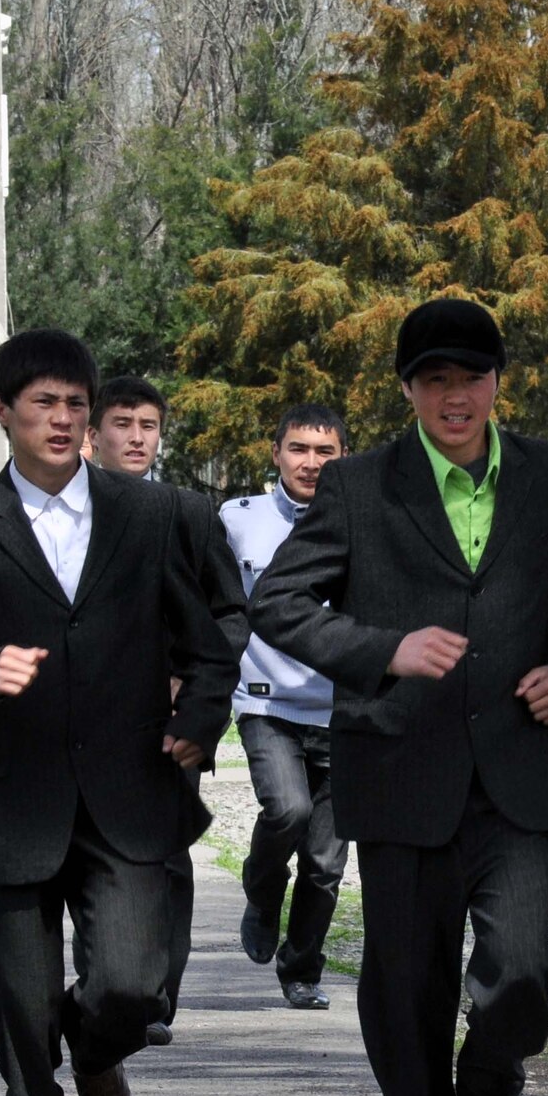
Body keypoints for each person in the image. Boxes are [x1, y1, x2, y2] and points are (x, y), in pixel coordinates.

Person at [251, 298, 548, 1096]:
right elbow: (279, 603)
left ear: (498, 382)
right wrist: (383, 649)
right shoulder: (358, 487)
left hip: (518, 771)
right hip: (399, 769)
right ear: (409, 389)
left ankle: (489, 1091)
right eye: (433, 380)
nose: (454, 397)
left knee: (521, 973)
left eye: (470, 377)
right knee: (405, 993)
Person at [0, 330, 243, 1096]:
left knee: (129, 985)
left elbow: (214, 639)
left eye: (73, 404)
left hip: (129, 791)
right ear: (2, 413)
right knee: (16, 1004)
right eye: (42, 403)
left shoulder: (153, 516)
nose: (61, 419)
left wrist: (197, 721)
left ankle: (99, 1062)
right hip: (11, 795)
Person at [88, 374, 251, 1047]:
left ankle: (154, 994)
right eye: (122, 422)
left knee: (163, 856)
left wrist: (197, 690)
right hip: (82, 721)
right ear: (93, 432)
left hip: (167, 724)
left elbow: (231, 613)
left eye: (147, 424)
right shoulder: (63, 518)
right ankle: (101, 989)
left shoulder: (188, 513)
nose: (136, 436)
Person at [222, 405, 352, 1012]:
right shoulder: (236, 520)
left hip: (343, 710)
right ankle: (262, 889)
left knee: (326, 861)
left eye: (325, 453)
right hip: (266, 702)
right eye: (298, 449)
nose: (311, 463)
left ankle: (301, 968)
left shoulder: (365, 522)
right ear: (275, 453)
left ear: (343, 459)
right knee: (287, 809)